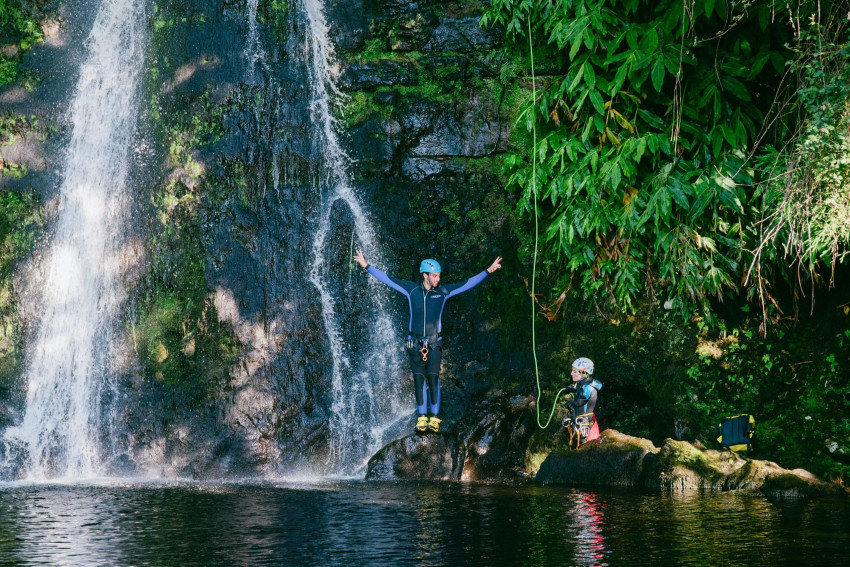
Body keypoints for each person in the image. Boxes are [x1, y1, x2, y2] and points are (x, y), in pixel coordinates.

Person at [353, 249, 502, 434]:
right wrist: (366, 266)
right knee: (419, 380)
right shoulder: (411, 290)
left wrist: (488, 270)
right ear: (425, 275)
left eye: (439, 276)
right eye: (434, 276)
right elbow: (388, 279)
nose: (438, 279)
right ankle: (422, 418)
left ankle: (435, 419)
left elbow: (467, 283)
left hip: (434, 344)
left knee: (433, 379)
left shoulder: (443, 292)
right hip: (414, 344)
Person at [564, 357, 602, 445]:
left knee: (582, 448)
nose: (571, 373)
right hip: (579, 424)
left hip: (585, 427)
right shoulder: (581, 385)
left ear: (584, 373)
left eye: (574, 371)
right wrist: (571, 389)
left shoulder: (588, 387)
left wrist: (573, 402)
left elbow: (581, 402)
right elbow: (579, 392)